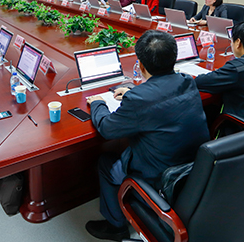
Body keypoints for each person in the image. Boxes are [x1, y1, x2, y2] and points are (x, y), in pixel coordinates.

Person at [85, 30, 209, 241]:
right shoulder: (187, 81)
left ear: (141, 65)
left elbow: (106, 128)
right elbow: (161, 98)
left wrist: (98, 103)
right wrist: (132, 93)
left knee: (106, 163)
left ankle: (116, 226)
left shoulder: (139, 100)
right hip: (194, 168)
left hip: (161, 179)